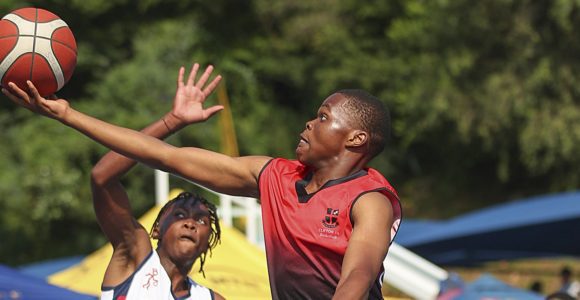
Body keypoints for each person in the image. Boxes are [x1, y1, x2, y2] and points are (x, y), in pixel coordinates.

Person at [2, 62, 402, 299]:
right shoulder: (274, 176)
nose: (310, 123)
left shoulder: (370, 199)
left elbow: (357, 277)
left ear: (356, 138)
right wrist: (67, 115)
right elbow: (163, 156)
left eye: (323, 117)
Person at [58, 65, 225, 299]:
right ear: (156, 229)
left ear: (209, 242)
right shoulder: (136, 256)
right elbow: (103, 178)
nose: (190, 224)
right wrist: (172, 121)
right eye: (179, 215)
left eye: (201, 220)